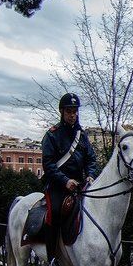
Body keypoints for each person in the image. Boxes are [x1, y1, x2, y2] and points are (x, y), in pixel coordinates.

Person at [41, 93, 98, 255]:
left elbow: (91, 159)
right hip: (58, 186)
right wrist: (65, 181)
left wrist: (90, 175)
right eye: (69, 111)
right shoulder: (52, 135)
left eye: (75, 111)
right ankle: (53, 256)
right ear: (62, 112)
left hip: (79, 185)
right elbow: (48, 164)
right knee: (56, 212)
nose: (72, 115)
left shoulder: (82, 136)